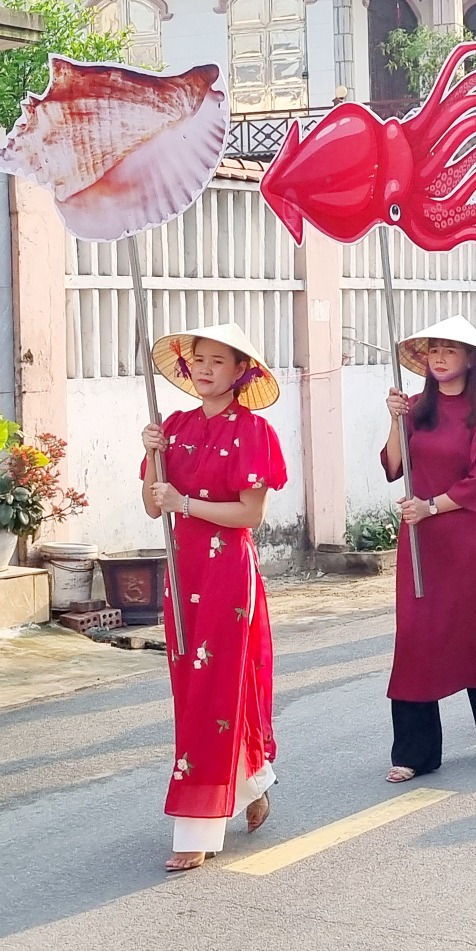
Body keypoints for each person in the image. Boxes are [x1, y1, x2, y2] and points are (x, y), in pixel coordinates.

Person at [140, 322, 287, 871]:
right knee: (192, 687)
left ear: (240, 372)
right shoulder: (172, 426)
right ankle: (252, 784)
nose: (204, 369)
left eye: (218, 362)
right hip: (184, 572)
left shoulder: (254, 431)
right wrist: (153, 457)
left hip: (228, 571)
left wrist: (183, 502)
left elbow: (250, 514)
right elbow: (155, 507)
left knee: (217, 687)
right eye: (198, 360)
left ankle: (197, 822)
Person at [383, 319, 476, 782]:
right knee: (414, 636)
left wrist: (430, 507)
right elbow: (394, 465)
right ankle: (415, 751)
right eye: (434, 350)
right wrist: (394, 421)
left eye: (451, 350)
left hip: (465, 536)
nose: (440, 357)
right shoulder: (413, 408)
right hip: (420, 539)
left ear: (471, 360)